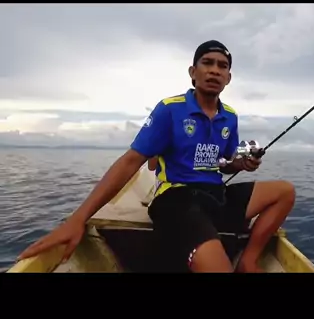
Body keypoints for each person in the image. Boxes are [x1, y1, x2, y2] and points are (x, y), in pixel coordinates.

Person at [17, 40, 296, 273]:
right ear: (193, 72)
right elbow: (131, 161)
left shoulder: (230, 117)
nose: (214, 70)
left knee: (284, 192)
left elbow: (225, 163)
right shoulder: (170, 109)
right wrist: (79, 217)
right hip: (177, 199)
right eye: (207, 63)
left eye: (222, 66)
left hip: (215, 195)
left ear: (229, 77)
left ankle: (248, 259)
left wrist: (242, 164)